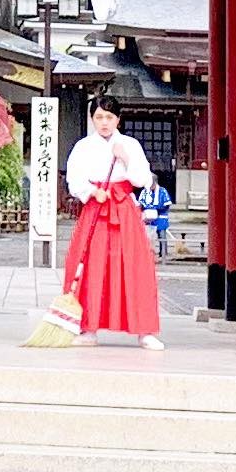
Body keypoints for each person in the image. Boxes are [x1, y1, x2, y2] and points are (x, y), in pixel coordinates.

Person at [40, 101, 161, 346]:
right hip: (96, 207)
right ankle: (88, 328)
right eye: (99, 117)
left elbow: (143, 179)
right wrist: (92, 192)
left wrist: (125, 158)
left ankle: (144, 330)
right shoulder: (83, 147)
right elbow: (74, 180)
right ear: (92, 119)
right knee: (91, 265)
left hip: (124, 210)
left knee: (134, 265)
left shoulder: (130, 145)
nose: (104, 122)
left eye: (109, 117)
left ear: (118, 119)